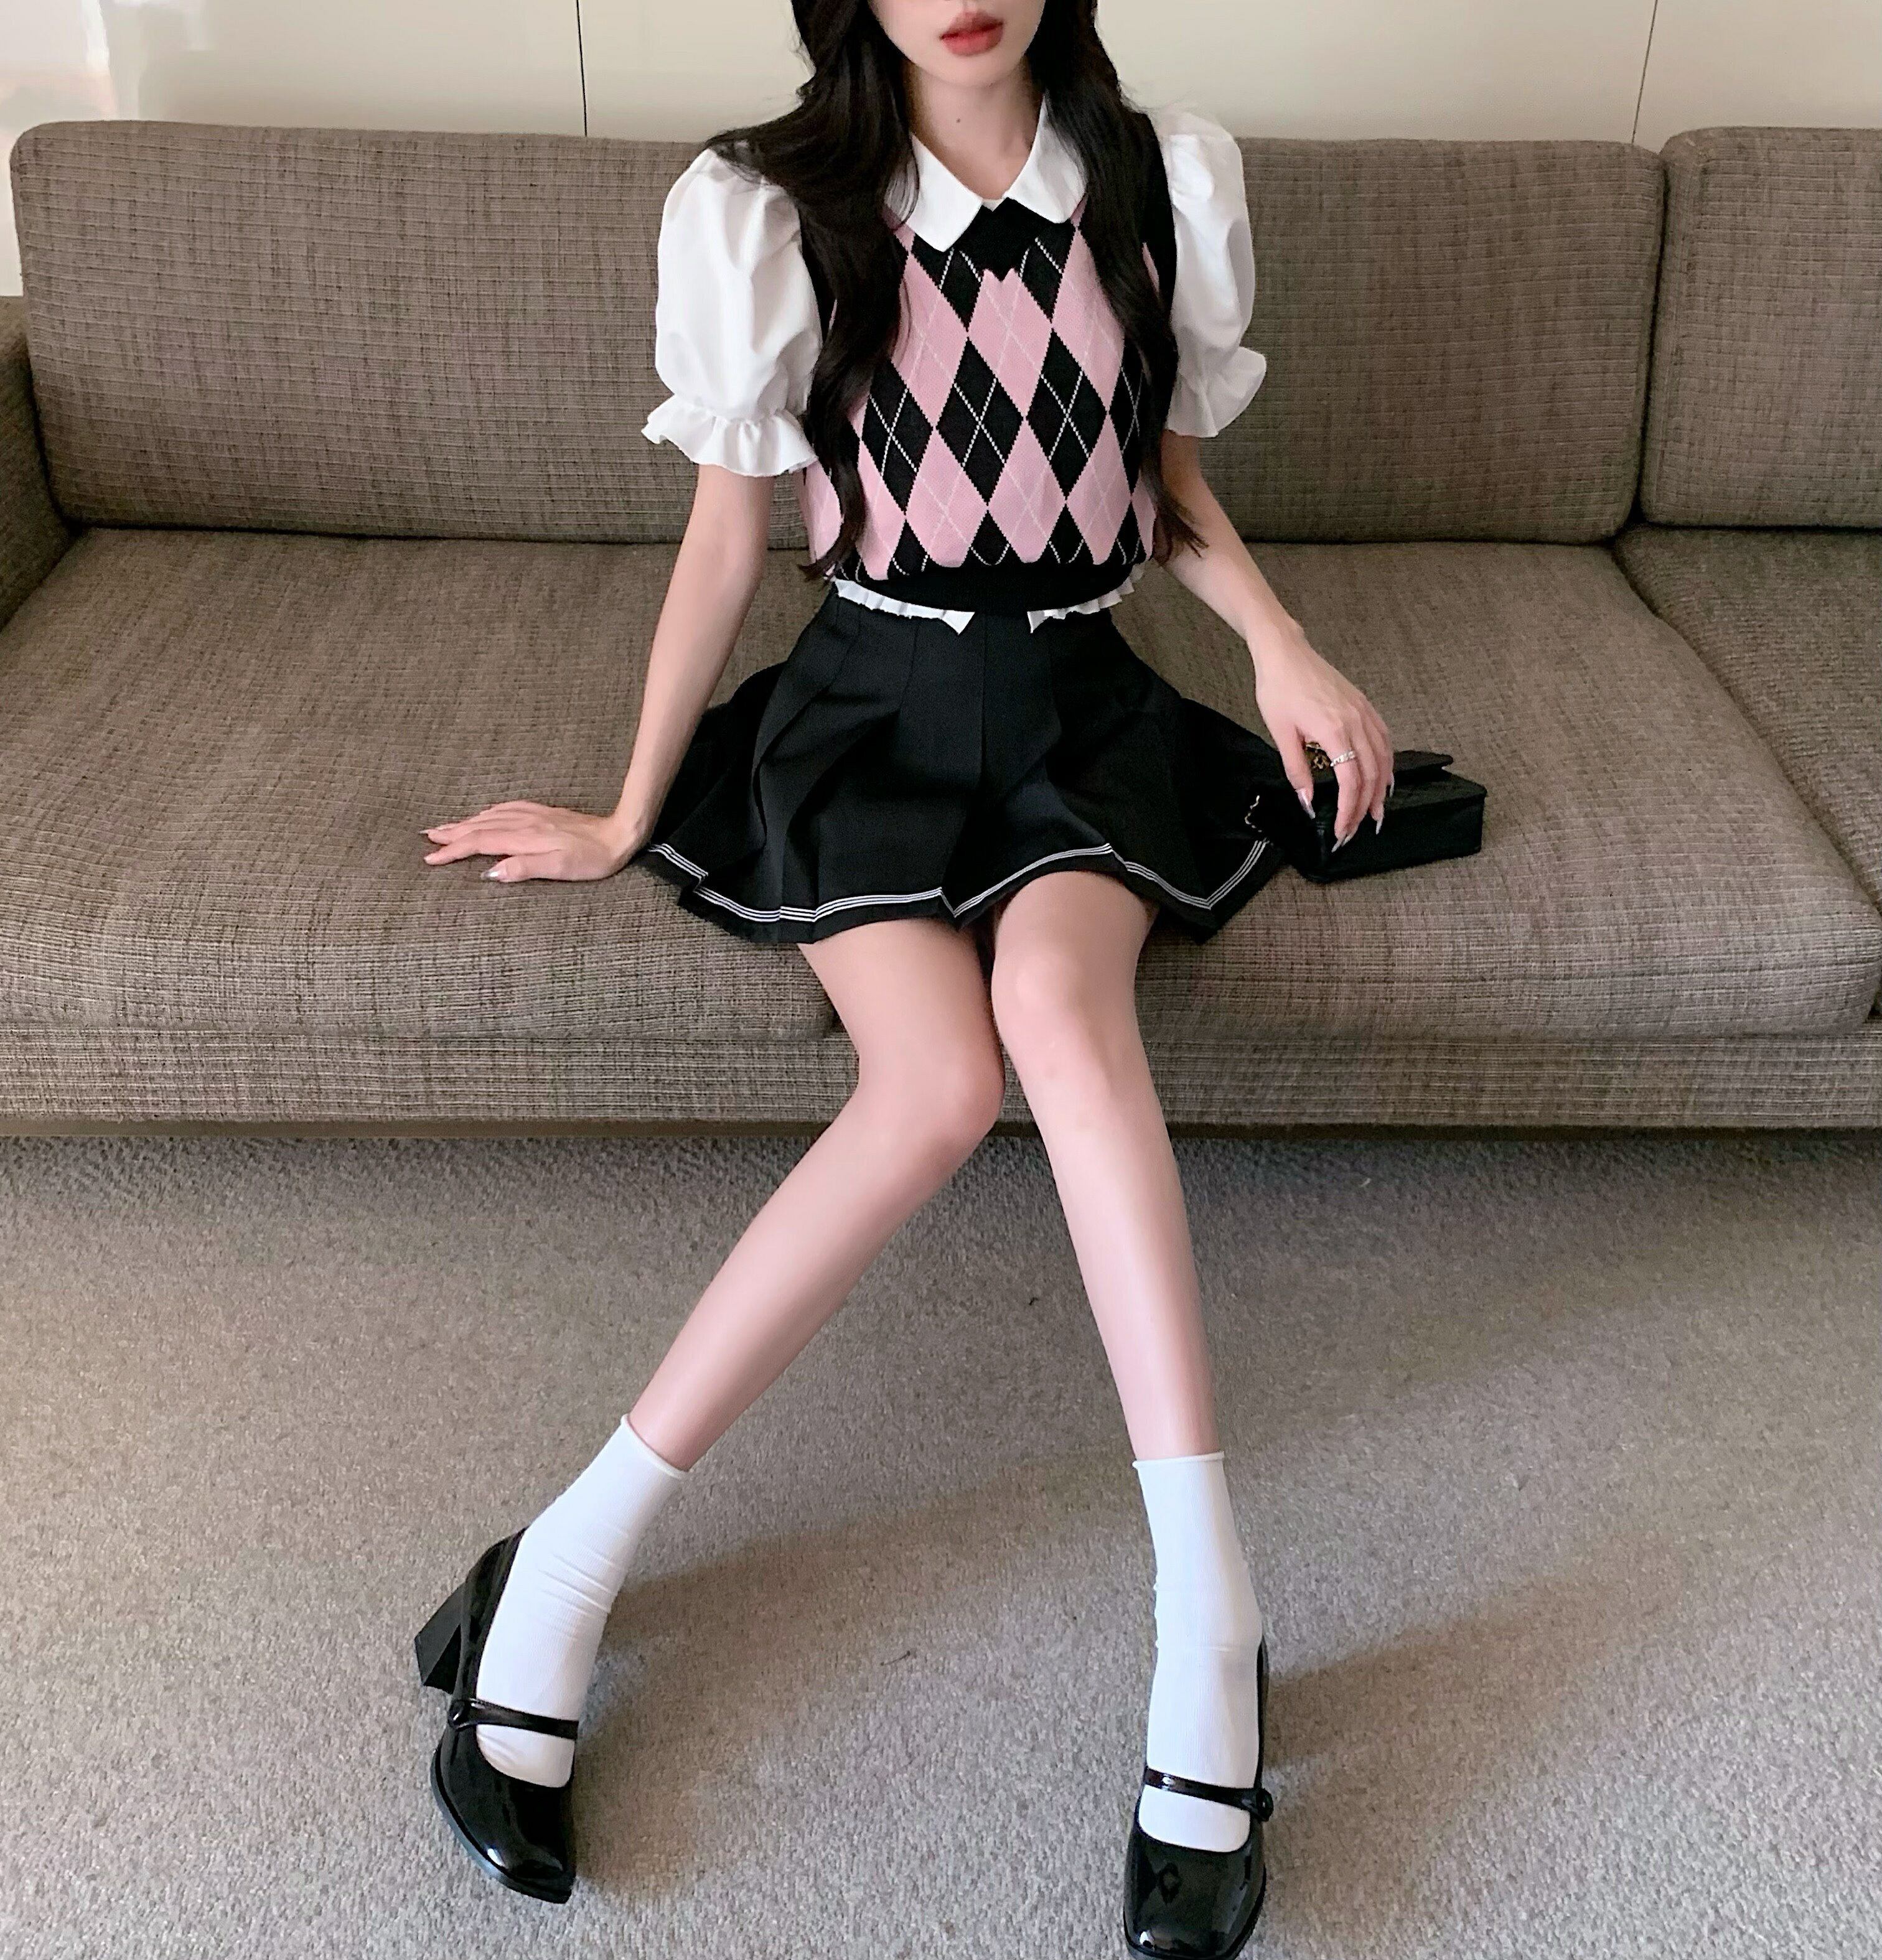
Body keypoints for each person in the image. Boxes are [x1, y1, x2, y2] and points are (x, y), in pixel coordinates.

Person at [416, 2, 1393, 1951]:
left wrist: (1281, 643)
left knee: (1062, 1019)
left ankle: (1211, 1614)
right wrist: (625, 808)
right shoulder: (767, 206)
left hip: (1082, 708)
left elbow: (1165, 484)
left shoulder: (1160, 178)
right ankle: (568, 1561)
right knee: (936, 1089)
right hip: (866, 710)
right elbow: (727, 541)